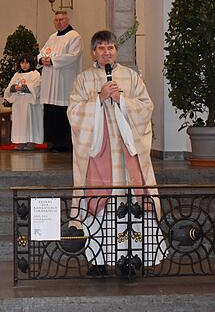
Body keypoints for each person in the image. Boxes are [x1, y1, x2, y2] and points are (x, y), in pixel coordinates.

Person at [67, 30, 161, 275]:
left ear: (116, 50)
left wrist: (122, 100)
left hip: (128, 154)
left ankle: (132, 257)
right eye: (101, 49)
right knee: (99, 205)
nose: (106, 53)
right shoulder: (84, 79)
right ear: (93, 52)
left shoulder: (131, 77)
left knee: (133, 205)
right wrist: (98, 99)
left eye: (110, 48)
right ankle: (98, 260)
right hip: (99, 154)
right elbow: (73, 113)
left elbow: (146, 107)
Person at [37, 10, 82, 152]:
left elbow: (72, 57)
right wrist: (41, 59)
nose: (59, 22)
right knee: (51, 110)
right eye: (56, 20)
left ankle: (65, 143)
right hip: (50, 81)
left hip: (64, 81)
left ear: (67, 20)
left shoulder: (74, 36)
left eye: (62, 19)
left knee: (62, 111)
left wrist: (52, 60)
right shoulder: (52, 37)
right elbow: (42, 52)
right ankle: (53, 142)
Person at [4, 54, 43, 150]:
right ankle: (21, 142)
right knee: (19, 123)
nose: (24, 65)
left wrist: (23, 87)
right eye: (22, 63)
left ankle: (31, 142)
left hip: (30, 104)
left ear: (31, 63)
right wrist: (14, 88)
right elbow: (10, 87)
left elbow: (37, 87)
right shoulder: (17, 75)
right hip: (18, 103)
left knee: (30, 122)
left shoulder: (35, 74)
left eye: (26, 62)